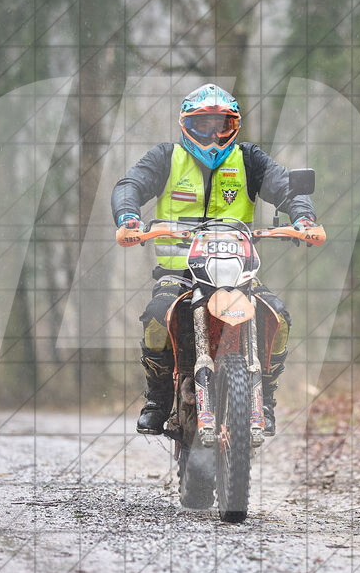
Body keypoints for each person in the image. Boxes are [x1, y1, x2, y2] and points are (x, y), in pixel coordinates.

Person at [111, 83, 317, 436]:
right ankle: (158, 397)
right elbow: (130, 184)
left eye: (221, 125)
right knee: (157, 316)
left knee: (278, 316)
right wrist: (128, 216)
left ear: (234, 126)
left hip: (237, 274)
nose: (212, 134)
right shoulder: (166, 158)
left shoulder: (248, 159)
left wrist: (303, 216)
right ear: (185, 125)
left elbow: (285, 186)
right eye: (202, 125)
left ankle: (266, 396)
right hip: (179, 273)